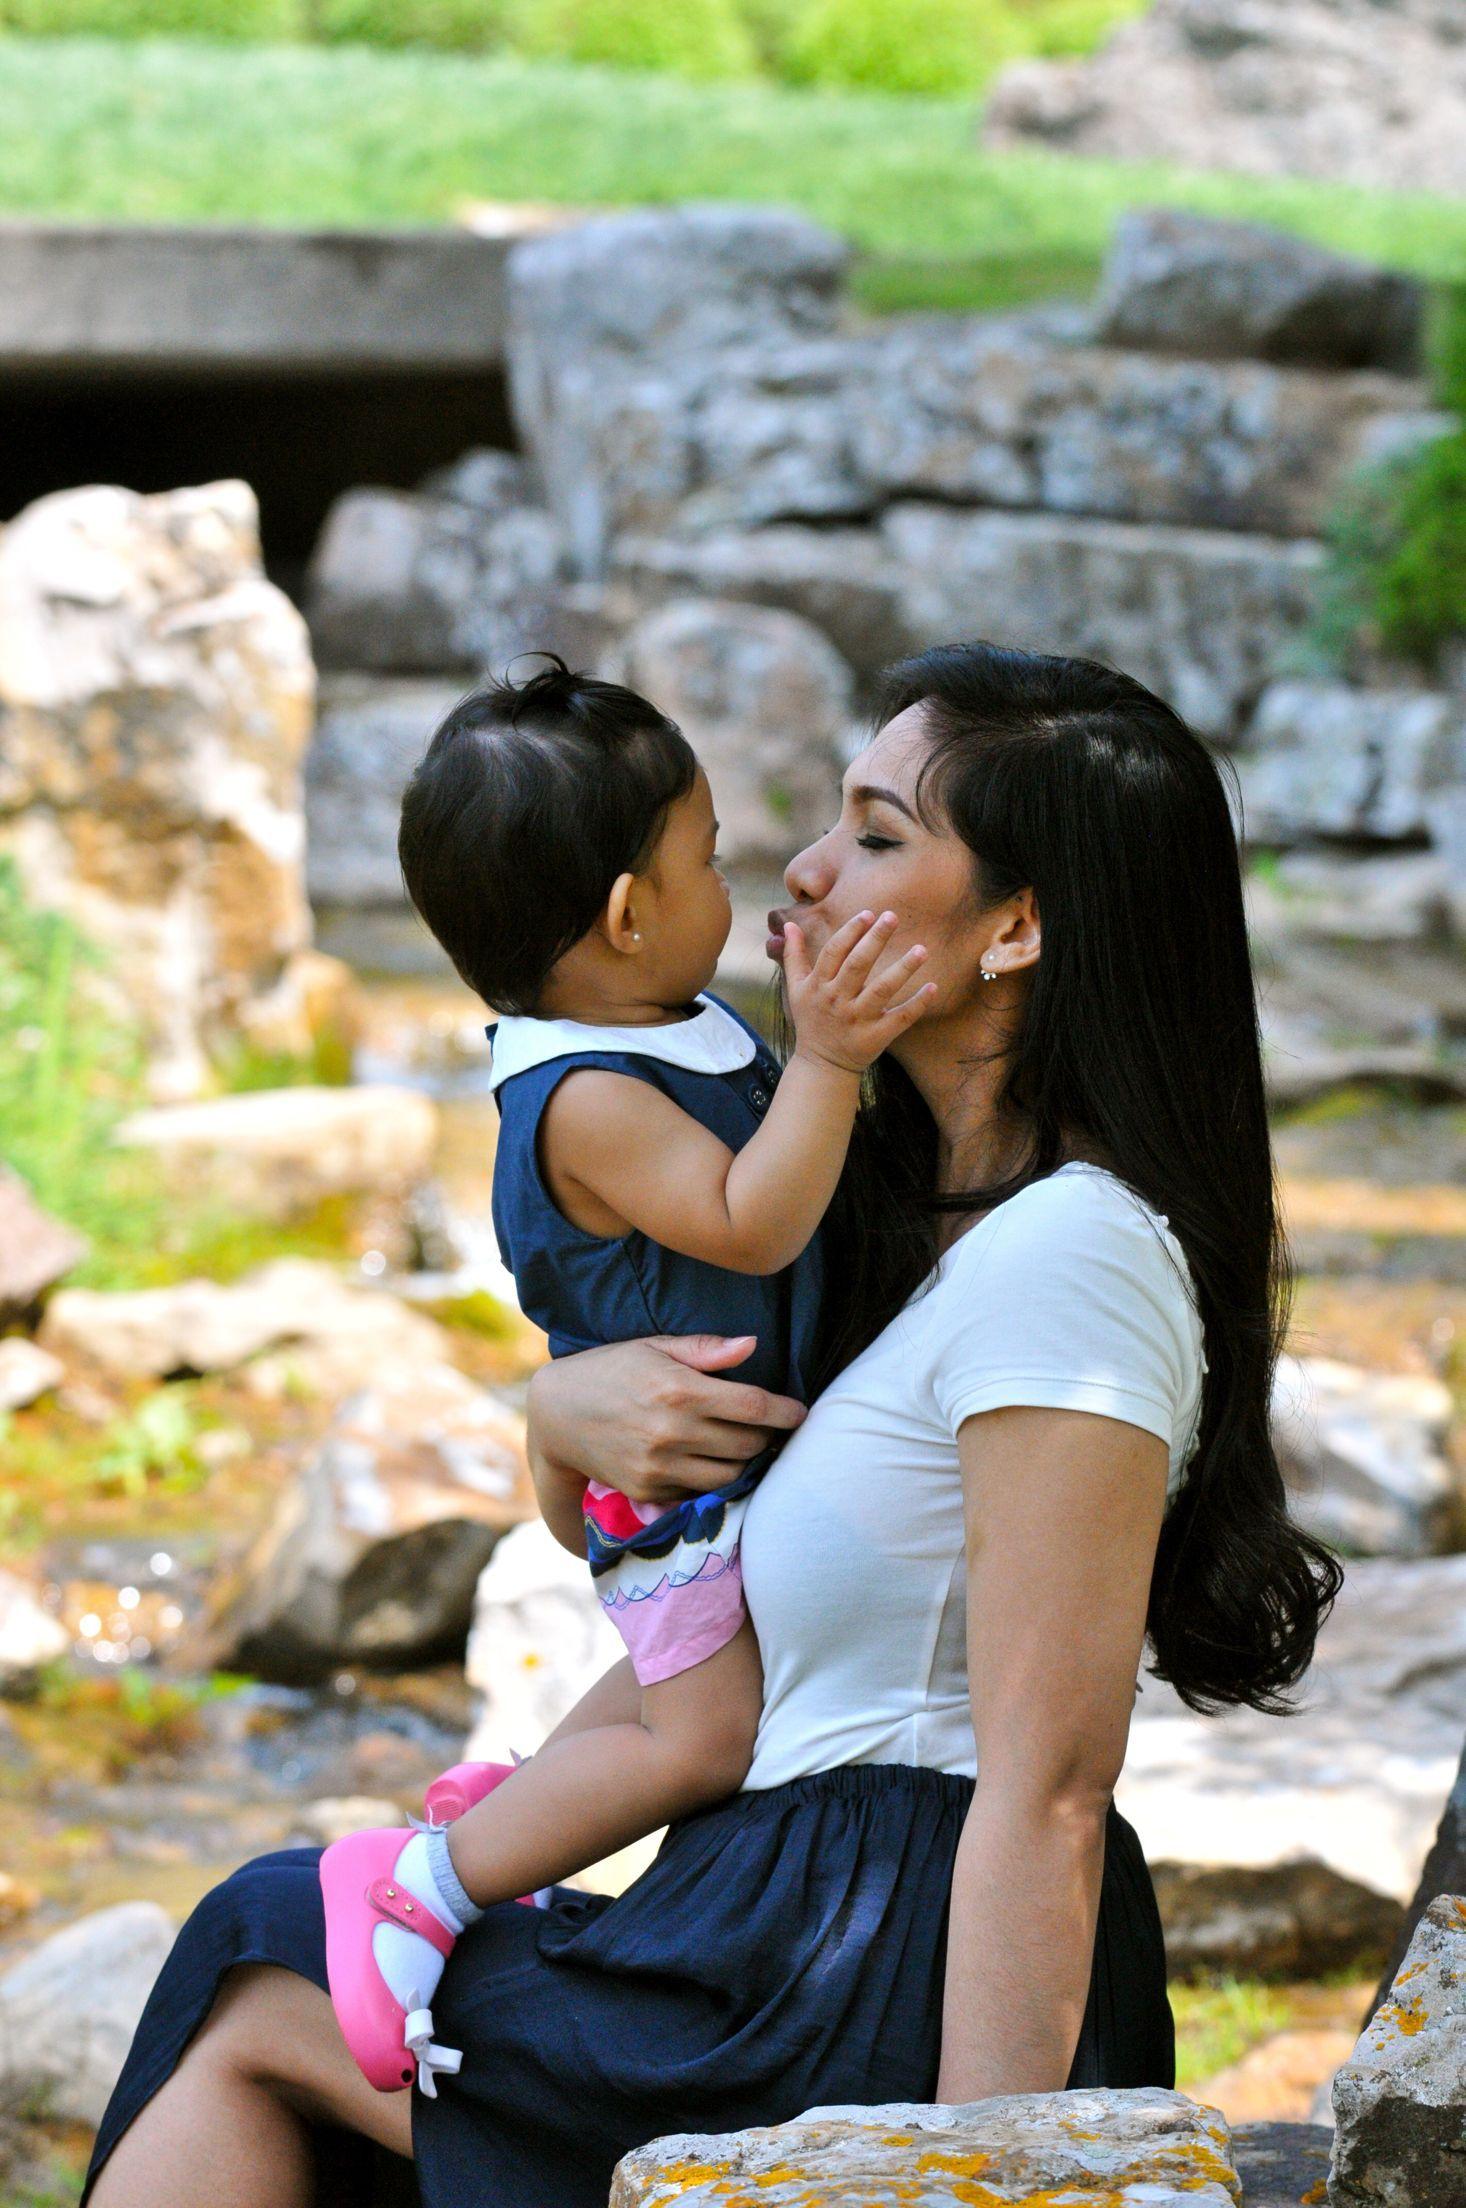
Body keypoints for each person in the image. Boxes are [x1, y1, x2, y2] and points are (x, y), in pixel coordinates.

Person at [85, 642, 1342, 2208]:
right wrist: (558, 1417)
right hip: (779, 1913)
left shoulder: (1069, 1260)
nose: (803, 873)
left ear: (1014, 928)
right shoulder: (879, 1218)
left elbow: (1050, 1781)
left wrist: (977, 2172)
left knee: (263, 1963)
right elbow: (699, 1573)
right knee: (277, 1954)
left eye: (878, 836)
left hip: (873, 1961)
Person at [318, 657, 934, 2098]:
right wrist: (832, 1056)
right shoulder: (586, 1092)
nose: (736, 879)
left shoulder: (664, 1024)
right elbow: (751, 1217)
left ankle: (510, 1808)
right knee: (703, 1733)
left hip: (730, 1462)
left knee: (674, 1687)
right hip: (669, 1480)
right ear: (624, 914)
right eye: (705, 857)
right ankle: (426, 1882)